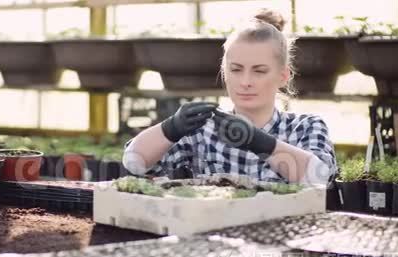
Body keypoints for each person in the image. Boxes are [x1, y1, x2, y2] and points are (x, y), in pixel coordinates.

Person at [122, 9, 336, 185]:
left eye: (259, 71)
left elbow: (319, 178)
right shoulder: (204, 131)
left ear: (283, 76)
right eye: (236, 69)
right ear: (225, 72)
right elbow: (134, 162)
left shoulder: (305, 127)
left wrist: (260, 143)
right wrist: (170, 128)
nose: (245, 81)